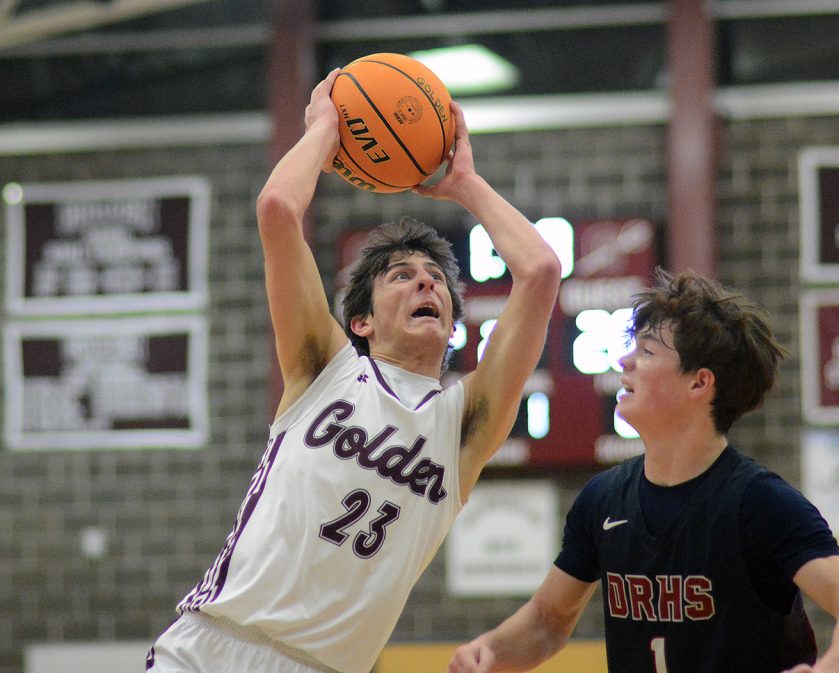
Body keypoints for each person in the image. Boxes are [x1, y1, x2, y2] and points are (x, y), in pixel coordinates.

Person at [146, 68, 562, 673]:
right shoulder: (325, 368)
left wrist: (466, 184)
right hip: (211, 647)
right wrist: (324, 128)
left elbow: (542, 271)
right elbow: (277, 208)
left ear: (451, 326)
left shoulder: (463, 423)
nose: (426, 281)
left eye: (437, 280)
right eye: (402, 276)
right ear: (360, 323)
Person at [448, 269, 839, 673]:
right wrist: (490, 651)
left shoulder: (760, 502)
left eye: (645, 351)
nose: (624, 362)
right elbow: (548, 622)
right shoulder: (603, 499)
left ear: (699, 382)